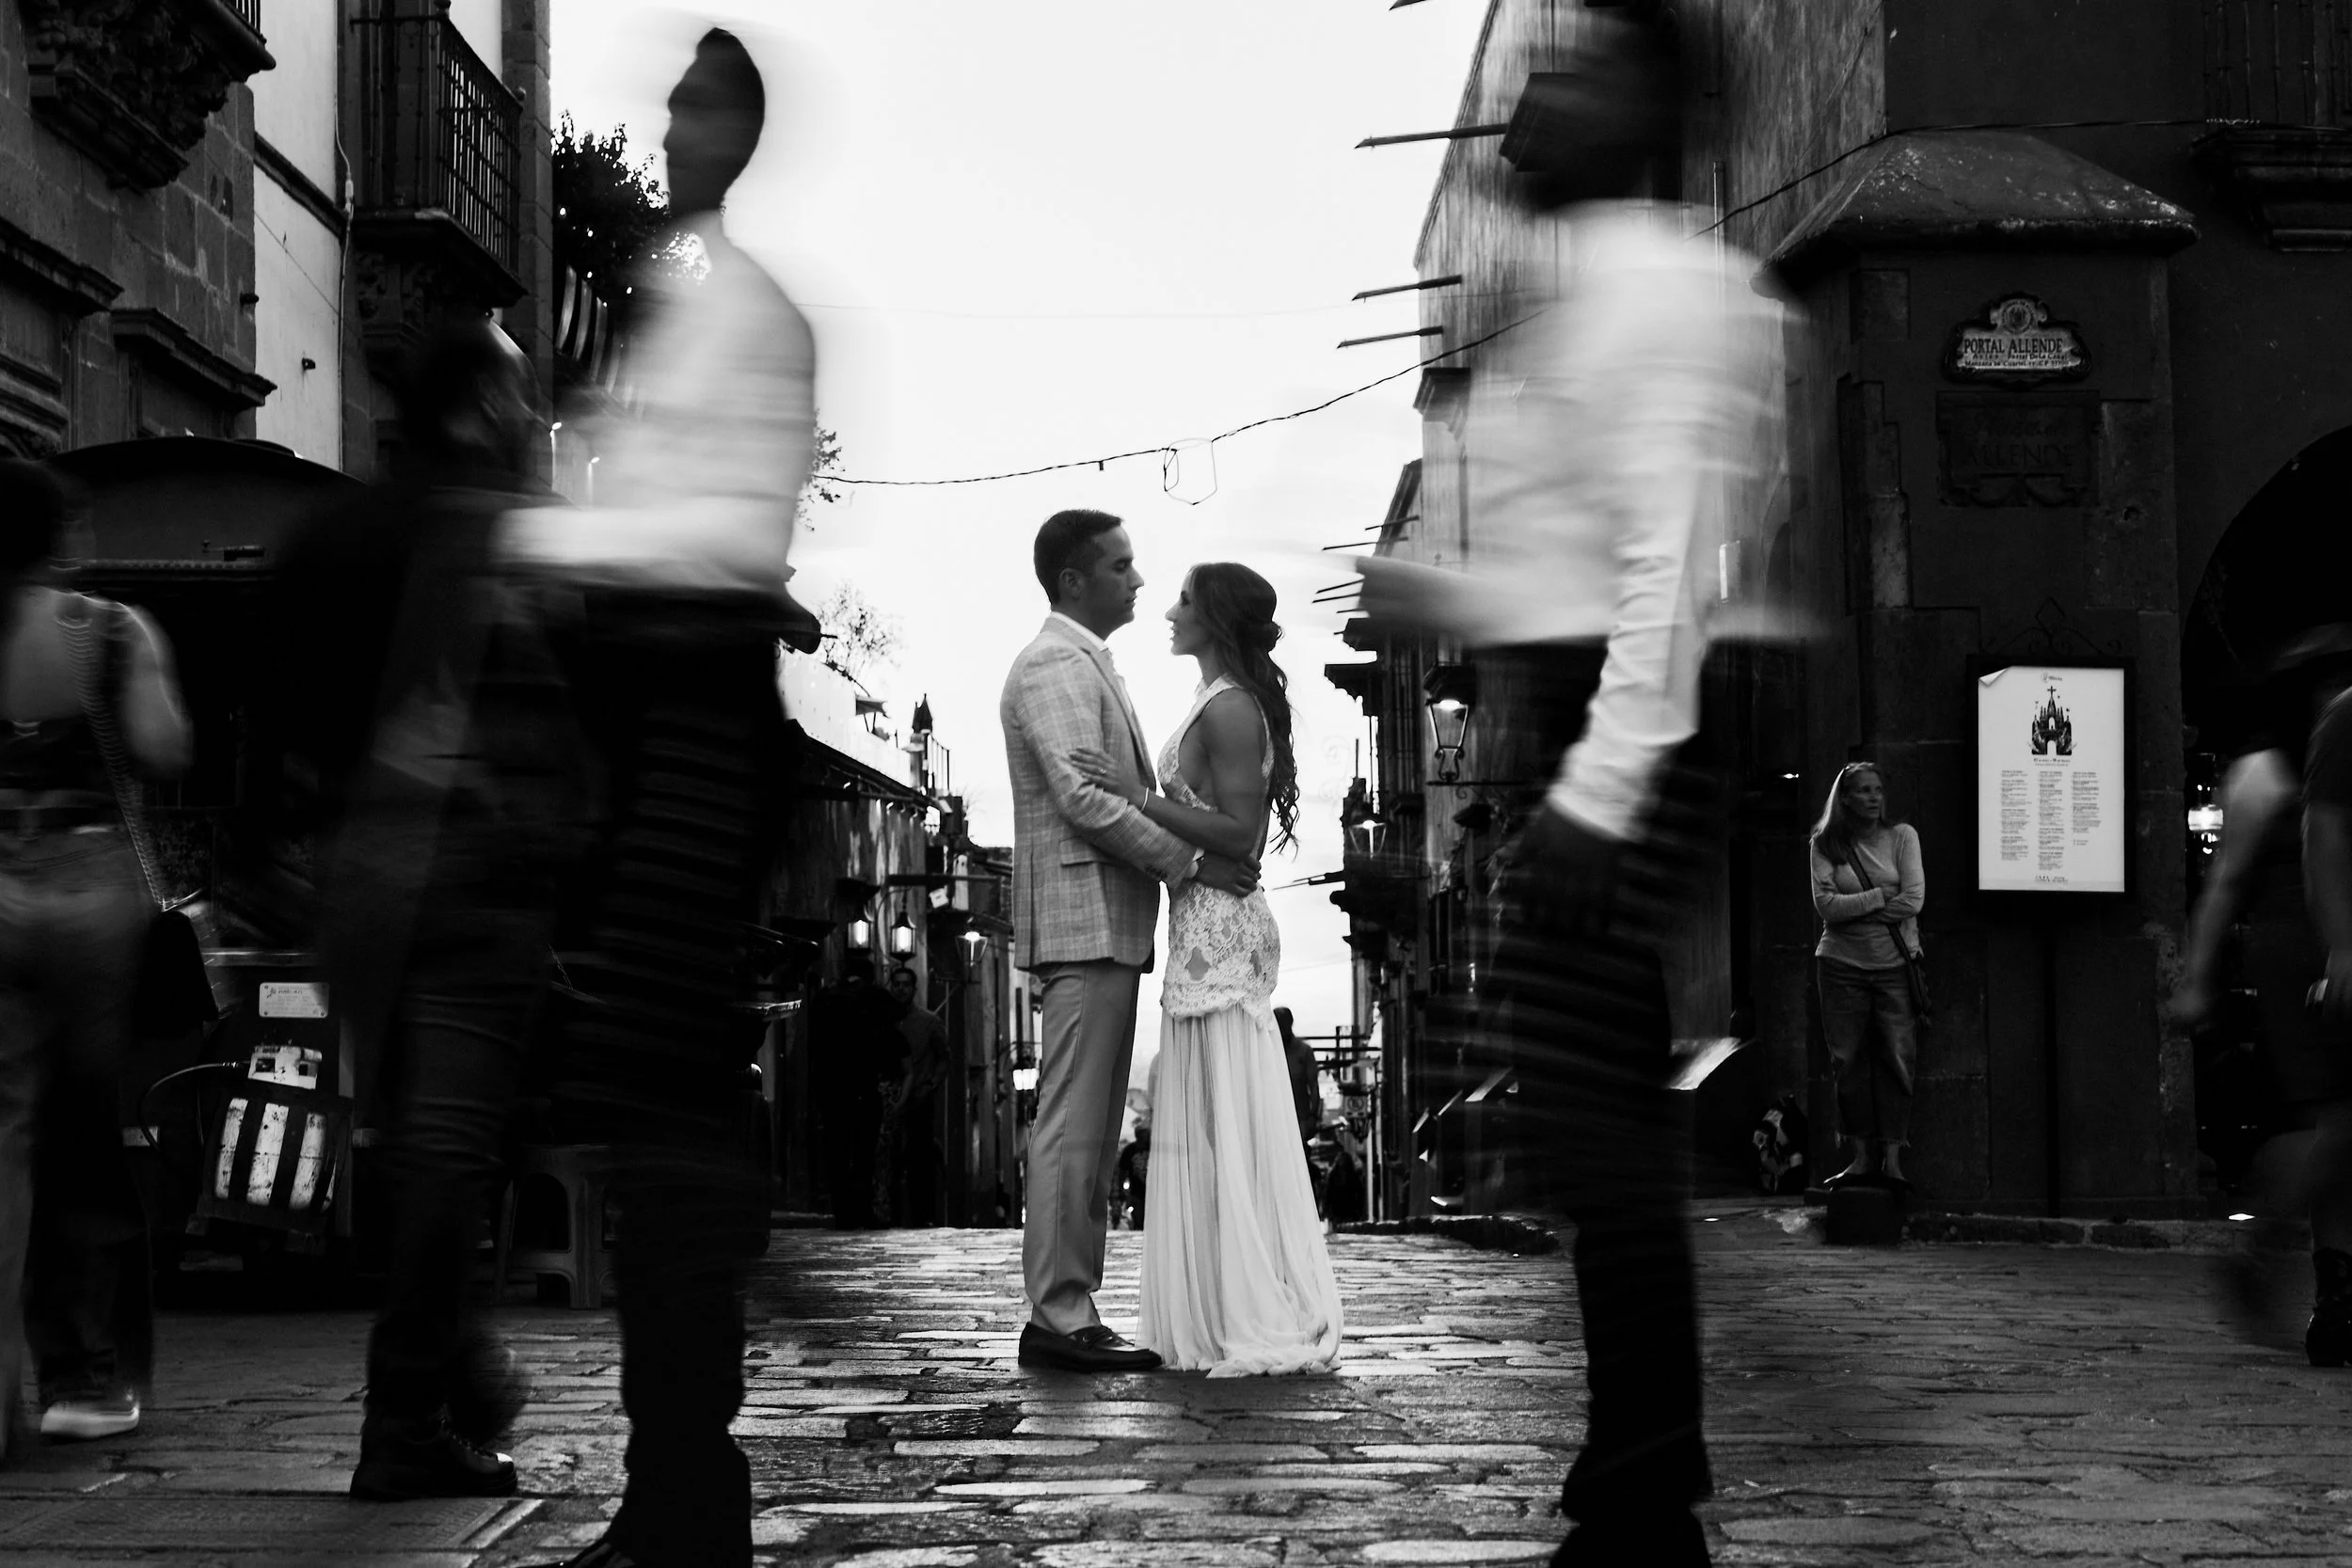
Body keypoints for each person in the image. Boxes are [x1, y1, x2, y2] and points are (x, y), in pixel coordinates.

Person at [1352, 14, 1776, 1561]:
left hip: (1624, 728)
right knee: (1594, 1141)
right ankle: (1637, 1476)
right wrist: (1446, 608)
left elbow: (1662, 564)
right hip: (1585, 717)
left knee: (1605, 1142)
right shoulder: (1584, 298)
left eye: (1569, 82)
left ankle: (1648, 1491)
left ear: (1642, 117)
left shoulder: (1665, 293)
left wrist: (1602, 782)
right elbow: (1572, 562)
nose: (1527, 110)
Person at [497, 28, 816, 1568]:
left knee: (663, 1104)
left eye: (698, 104)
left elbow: (700, 524)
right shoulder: (672, 299)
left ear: (737, 129)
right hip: (658, 713)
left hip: (699, 703)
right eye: (671, 102)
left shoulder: (740, 315)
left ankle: (689, 1492)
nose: (673, 125)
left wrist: (531, 542)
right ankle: (679, 1485)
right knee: (650, 1101)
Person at [278, 319, 581, 1501]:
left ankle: (453, 1369)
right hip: (468, 871)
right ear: (475, 410)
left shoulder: (328, 534)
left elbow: (285, 717)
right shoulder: (504, 541)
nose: (526, 418)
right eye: (514, 396)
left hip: (356, 873)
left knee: (423, 1143)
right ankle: (414, 1406)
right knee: (452, 1146)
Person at [997, 509, 1259, 1374]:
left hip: (1110, 927)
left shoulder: (1084, 664)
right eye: (1121, 565)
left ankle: (1074, 1306)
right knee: (1072, 1126)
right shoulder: (1052, 666)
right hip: (1084, 926)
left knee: (1093, 1127)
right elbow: (1086, 798)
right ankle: (1060, 1313)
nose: (1139, 580)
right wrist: (1189, 864)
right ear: (1074, 581)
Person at [1073, 562, 1343, 1375]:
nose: (1168, 608)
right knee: (1211, 1125)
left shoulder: (1229, 708)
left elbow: (1240, 833)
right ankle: (1220, 1302)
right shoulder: (1219, 698)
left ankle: (1243, 1308)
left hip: (1220, 933)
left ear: (1215, 617)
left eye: (1185, 600)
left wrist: (1137, 795)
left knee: (1223, 1120)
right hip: (1205, 919)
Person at [0, 461, 192, 1460]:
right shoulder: (109, 630)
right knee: (82, 1140)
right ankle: (82, 1377)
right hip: (86, 896)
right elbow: (163, 749)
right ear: (56, 531)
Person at [2205, 629, 2352, 1361]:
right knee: (2338, 1123)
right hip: (2313, 953)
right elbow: (2229, 878)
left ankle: (2333, 1291)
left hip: (2314, 949)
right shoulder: (2271, 772)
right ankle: (2268, 1238)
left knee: (2338, 1121)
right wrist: (2198, 974)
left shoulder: (2298, 759)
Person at [1807, 763, 1926, 1192]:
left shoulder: (1902, 838)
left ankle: (1892, 1160)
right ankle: (1860, 1159)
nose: (1874, 798)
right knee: (1848, 1061)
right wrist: (1879, 897)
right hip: (1840, 967)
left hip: (1894, 965)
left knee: (1897, 1058)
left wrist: (1854, 910)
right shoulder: (1826, 845)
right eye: (1863, 791)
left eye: (1878, 789)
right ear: (1845, 798)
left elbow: (1913, 899)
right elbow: (1827, 908)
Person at [807, 958, 906, 1229]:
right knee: (863, 1154)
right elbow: (899, 1013)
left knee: (836, 1152)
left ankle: (842, 1213)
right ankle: (862, 1211)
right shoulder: (872, 997)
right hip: (862, 1086)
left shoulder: (824, 998)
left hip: (830, 1087)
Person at [887, 966, 951, 1227]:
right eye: (897, 984)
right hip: (889, 1099)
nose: (901, 989)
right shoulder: (885, 1019)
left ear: (914, 989)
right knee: (889, 1159)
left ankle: (921, 1217)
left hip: (919, 1100)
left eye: (906, 985)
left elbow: (944, 1058)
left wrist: (931, 1085)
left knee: (920, 1161)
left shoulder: (929, 1022)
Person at [1275, 1006, 1322, 1150]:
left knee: (1298, 1153)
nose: (1281, 1029)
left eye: (1283, 1024)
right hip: (1276, 1115)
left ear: (1290, 1023)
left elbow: (1313, 1086)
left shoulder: (1304, 1051)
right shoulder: (1271, 1049)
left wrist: (1313, 1117)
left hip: (1300, 1116)